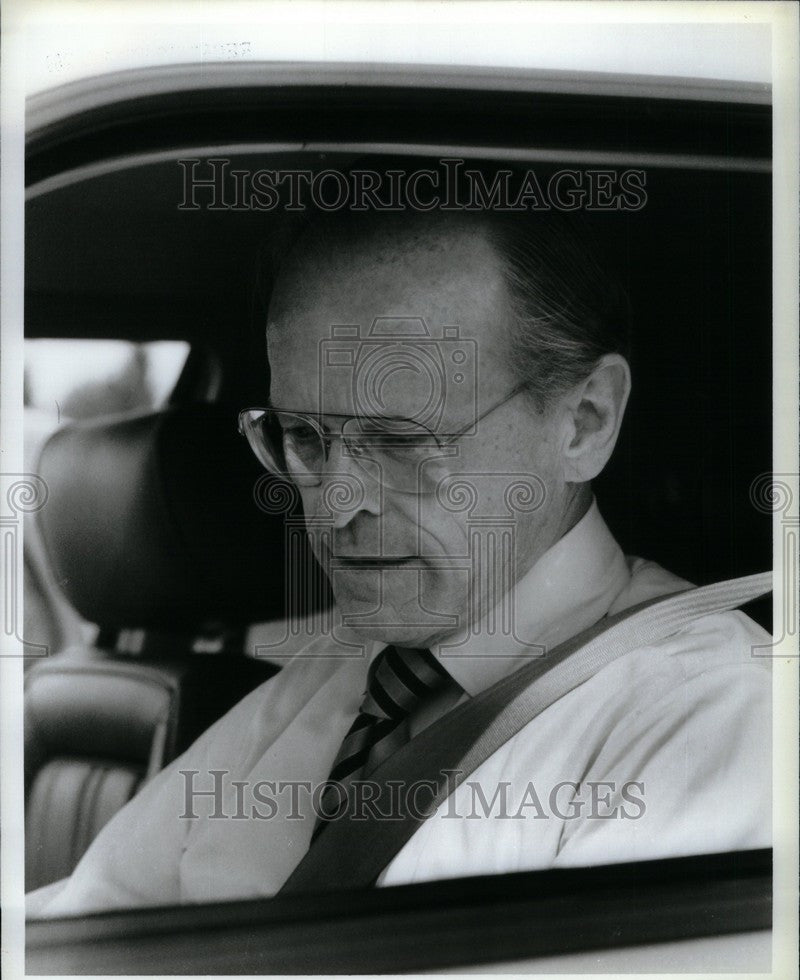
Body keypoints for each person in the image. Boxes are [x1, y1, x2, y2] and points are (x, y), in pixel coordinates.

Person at [29, 205, 770, 916]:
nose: (333, 505)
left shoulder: (712, 713)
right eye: (305, 438)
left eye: (401, 440)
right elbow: (87, 920)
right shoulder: (339, 670)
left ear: (585, 422)